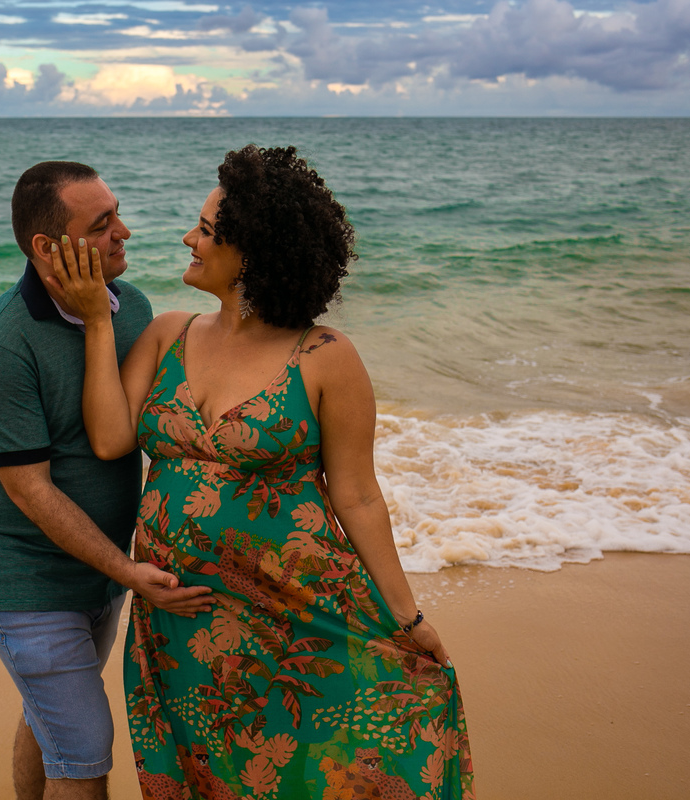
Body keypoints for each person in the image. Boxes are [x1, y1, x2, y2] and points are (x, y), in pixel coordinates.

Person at [47, 145, 474, 799]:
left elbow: (357, 496)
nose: (188, 238)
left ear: (255, 255)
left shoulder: (326, 357)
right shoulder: (166, 333)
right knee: (211, 776)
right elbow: (109, 438)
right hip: (184, 620)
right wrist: (99, 319)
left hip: (296, 614)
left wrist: (407, 618)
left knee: (312, 772)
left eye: (208, 231)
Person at [0, 161, 213, 800]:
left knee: (49, 721)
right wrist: (128, 570)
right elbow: (30, 490)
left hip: (100, 573)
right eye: (101, 226)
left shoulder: (134, 311)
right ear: (48, 248)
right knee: (83, 752)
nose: (123, 232)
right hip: (27, 576)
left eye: (117, 214)